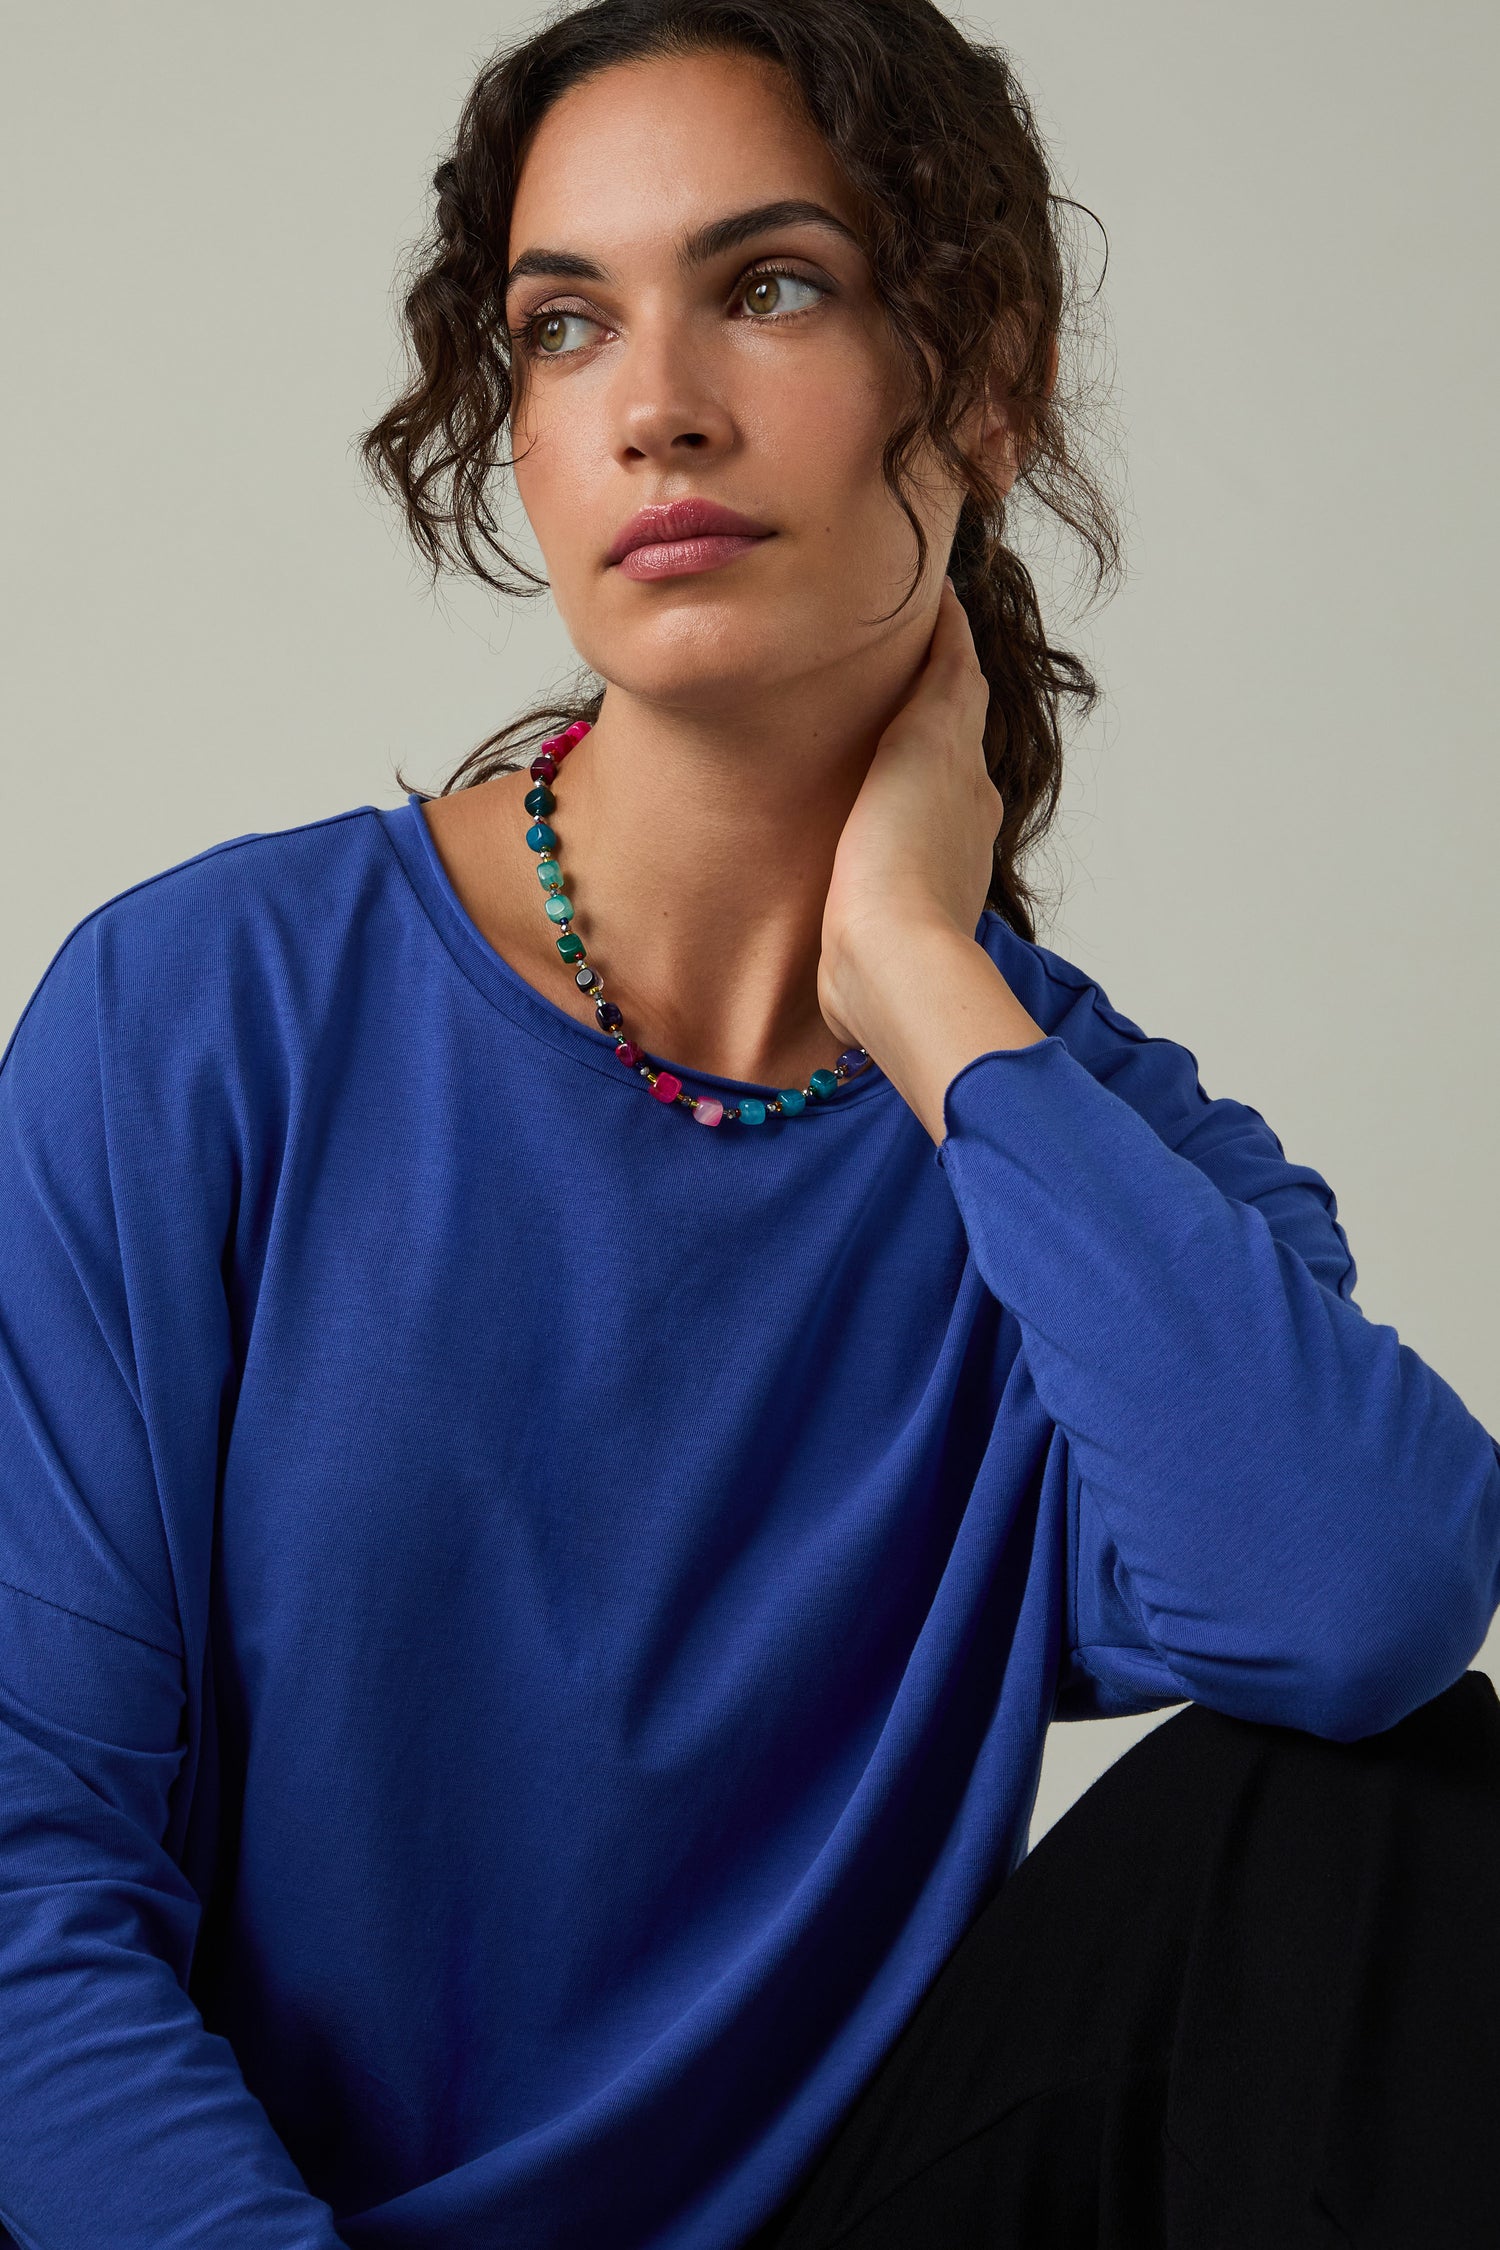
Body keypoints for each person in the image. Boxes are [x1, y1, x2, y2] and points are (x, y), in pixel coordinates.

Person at [0, 2, 1496, 2245]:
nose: (655, 402)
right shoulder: (205, 1020)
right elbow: (24, 1876)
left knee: (1407, 1819)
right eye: (564, 323)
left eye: (770, 284)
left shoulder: (1072, 1145)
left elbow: (1364, 1604)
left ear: (975, 377)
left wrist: (916, 977)